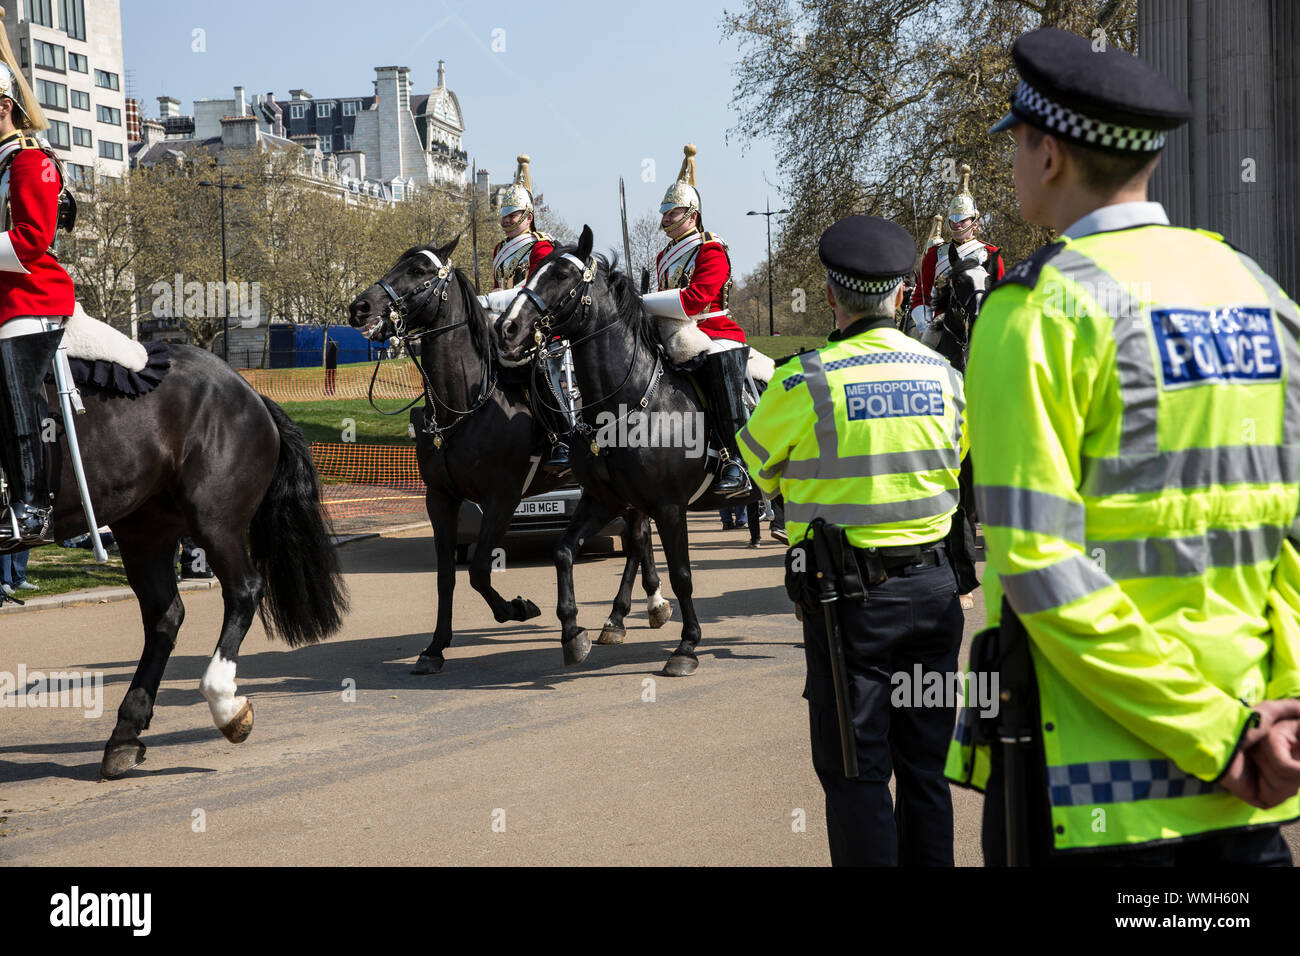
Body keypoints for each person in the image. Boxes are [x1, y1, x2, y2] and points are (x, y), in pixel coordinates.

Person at [946, 27, 1300, 866]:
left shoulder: (1032, 312)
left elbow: (1038, 567)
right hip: (1254, 778)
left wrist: (1217, 735)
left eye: (1017, 145)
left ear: (1051, 156)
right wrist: (1278, 710)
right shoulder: (1262, 294)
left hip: (1096, 798)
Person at [739, 215, 973, 866]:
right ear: (901, 294)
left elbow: (757, 465)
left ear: (831, 296)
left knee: (857, 773)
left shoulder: (802, 380)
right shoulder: (946, 377)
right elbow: (956, 460)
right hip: (935, 592)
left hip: (851, 604)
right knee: (926, 769)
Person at [0, 23, 75, 546]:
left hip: (29, 299)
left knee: (13, 386)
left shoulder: (29, 160)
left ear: (3, 105)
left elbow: (31, 237)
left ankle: (31, 505)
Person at [641, 145, 751, 498]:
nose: (666, 218)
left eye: (673, 212)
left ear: (693, 214)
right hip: (674, 331)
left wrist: (643, 303)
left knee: (717, 367)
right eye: (665, 212)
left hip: (713, 331)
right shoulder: (663, 256)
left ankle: (735, 459)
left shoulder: (711, 249)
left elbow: (696, 300)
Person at [491, 154, 566, 473]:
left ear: (529, 214)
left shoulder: (542, 247)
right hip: (507, 328)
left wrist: (492, 300)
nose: (507, 219)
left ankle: (561, 435)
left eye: (514, 213)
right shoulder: (499, 249)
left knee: (539, 371)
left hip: (540, 331)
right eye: (505, 213)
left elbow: (535, 293)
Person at [912, 164, 1004, 352]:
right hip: (941, 322)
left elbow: (1000, 296)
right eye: (953, 220)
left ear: (975, 223)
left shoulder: (990, 253)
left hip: (981, 324)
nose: (957, 224)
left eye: (962, 220)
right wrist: (924, 323)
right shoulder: (935, 253)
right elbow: (921, 296)